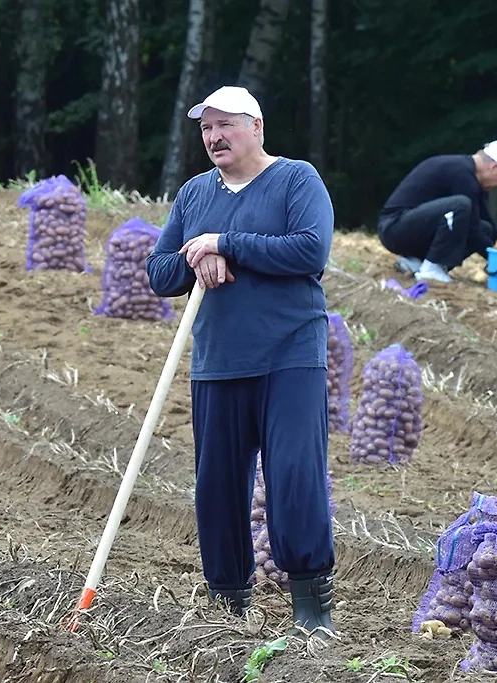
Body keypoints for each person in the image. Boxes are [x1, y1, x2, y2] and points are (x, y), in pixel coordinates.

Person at [145, 85, 337, 639]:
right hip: (218, 360)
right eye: (206, 128)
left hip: (290, 353)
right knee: (218, 485)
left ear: (255, 126)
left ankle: (311, 607)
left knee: (293, 475)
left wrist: (227, 242)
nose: (214, 137)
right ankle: (228, 603)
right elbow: (160, 273)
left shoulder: (296, 180)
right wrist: (197, 254)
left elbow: (309, 250)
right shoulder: (194, 193)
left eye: (225, 125)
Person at [376, 140, 497, 283]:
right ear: (493, 167)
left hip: (414, 229)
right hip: (394, 228)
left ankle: (417, 263)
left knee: (485, 229)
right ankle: (431, 269)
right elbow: (471, 229)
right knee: (461, 206)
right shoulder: (461, 174)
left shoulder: (472, 177)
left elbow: (486, 222)